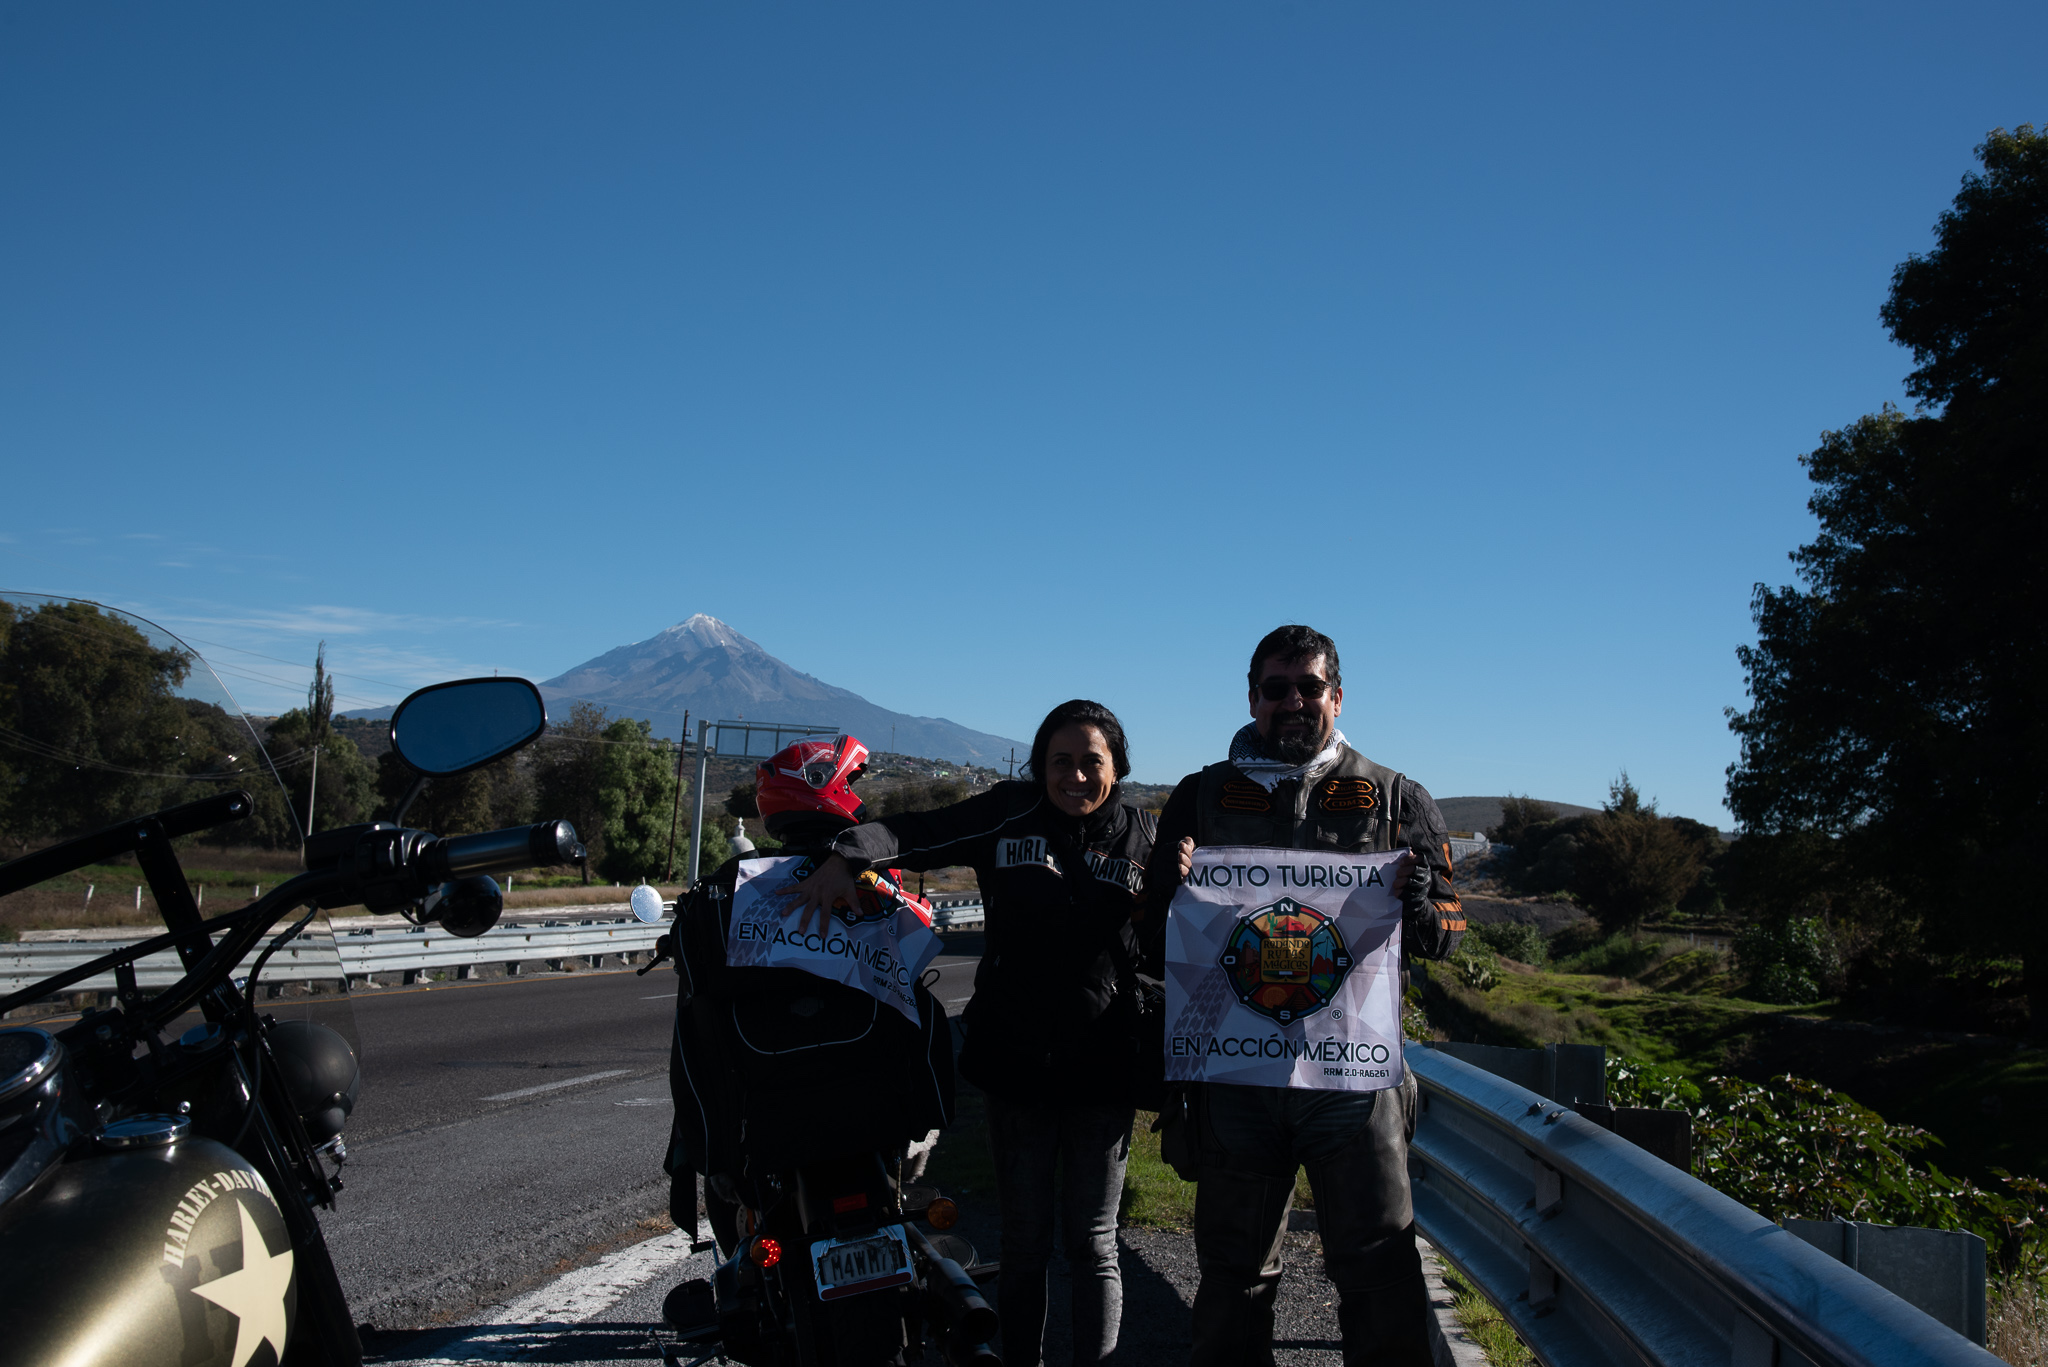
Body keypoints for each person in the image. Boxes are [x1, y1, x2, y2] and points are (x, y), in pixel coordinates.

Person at [788, 700, 1155, 1367]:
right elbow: (915, 831)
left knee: (1094, 1242)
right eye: (1060, 762)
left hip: (1105, 1069)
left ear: (1118, 767)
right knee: (1024, 1242)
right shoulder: (1005, 813)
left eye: (1091, 762)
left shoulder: (1145, 836)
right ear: (1039, 766)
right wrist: (846, 854)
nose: (1075, 776)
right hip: (1015, 1067)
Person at [1145, 625, 1465, 1367]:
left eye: (1309, 687)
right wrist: (1163, 887)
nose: (1292, 701)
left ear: (1337, 695)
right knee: (1231, 1276)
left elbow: (1446, 933)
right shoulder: (1199, 795)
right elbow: (1148, 935)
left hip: (1353, 1080)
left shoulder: (1396, 796)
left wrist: (1420, 901)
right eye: (1275, 688)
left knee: (1379, 1271)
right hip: (1237, 1077)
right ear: (1252, 696)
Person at [661, 733, 954, 1259]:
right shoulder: (876, 881)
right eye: (856, 785)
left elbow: (696, 975)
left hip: (768, 1100)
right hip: (870, 1096)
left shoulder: (733, 887)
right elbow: (921, 942)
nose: (863, 799)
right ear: (832, 788)